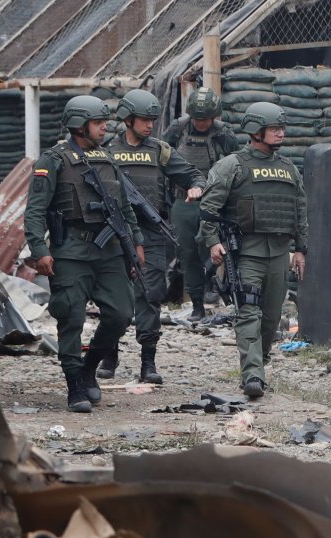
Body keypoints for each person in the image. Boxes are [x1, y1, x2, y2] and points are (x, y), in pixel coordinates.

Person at [24, 95, 143, 413]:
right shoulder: (53, 160)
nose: (105, 126)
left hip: (110, 251)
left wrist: (137, 244)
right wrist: (40, 250)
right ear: (79, 125)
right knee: (71, 316)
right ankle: (75, 383)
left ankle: (90, 366)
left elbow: (125, 207)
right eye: (98, 122)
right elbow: (35, 210)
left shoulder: (108, 158)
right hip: (71, 251)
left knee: (121, 314)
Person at [199, 101, 308, 399]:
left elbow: (300, 211)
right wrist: (212, 242)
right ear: (255, 131)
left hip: (279, 255)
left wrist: (301, 250)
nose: (280, 133)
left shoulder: (289, 169)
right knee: (249, 313)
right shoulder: (232, 166)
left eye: (282, 128)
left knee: (272, 318)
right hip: (246, 253)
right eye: (274, 129)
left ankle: (260, 363)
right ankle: (253, 375)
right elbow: (208, 209)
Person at [99, 89, 206, 385]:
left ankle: (148, 360)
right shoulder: (105, 150)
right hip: (112, 235)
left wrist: (196, 187)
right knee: (112, 296)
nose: (150, 126)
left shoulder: (160, 150)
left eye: (152, 120)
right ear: (128, 120)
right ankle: (109, 355)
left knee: (150, 294)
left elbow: (192, 174)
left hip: (150, 234)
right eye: (144, 120)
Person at [162, 87, 241, 321]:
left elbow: (237, 165)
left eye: (206, 119)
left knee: (212, 247)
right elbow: (162, 156)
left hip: (215, 202)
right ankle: (197, 304)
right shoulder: (178, 128)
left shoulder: (224, 134)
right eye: (198, 119)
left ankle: (212, 282)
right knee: (187, 252)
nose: (202, 123)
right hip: (183, 200)